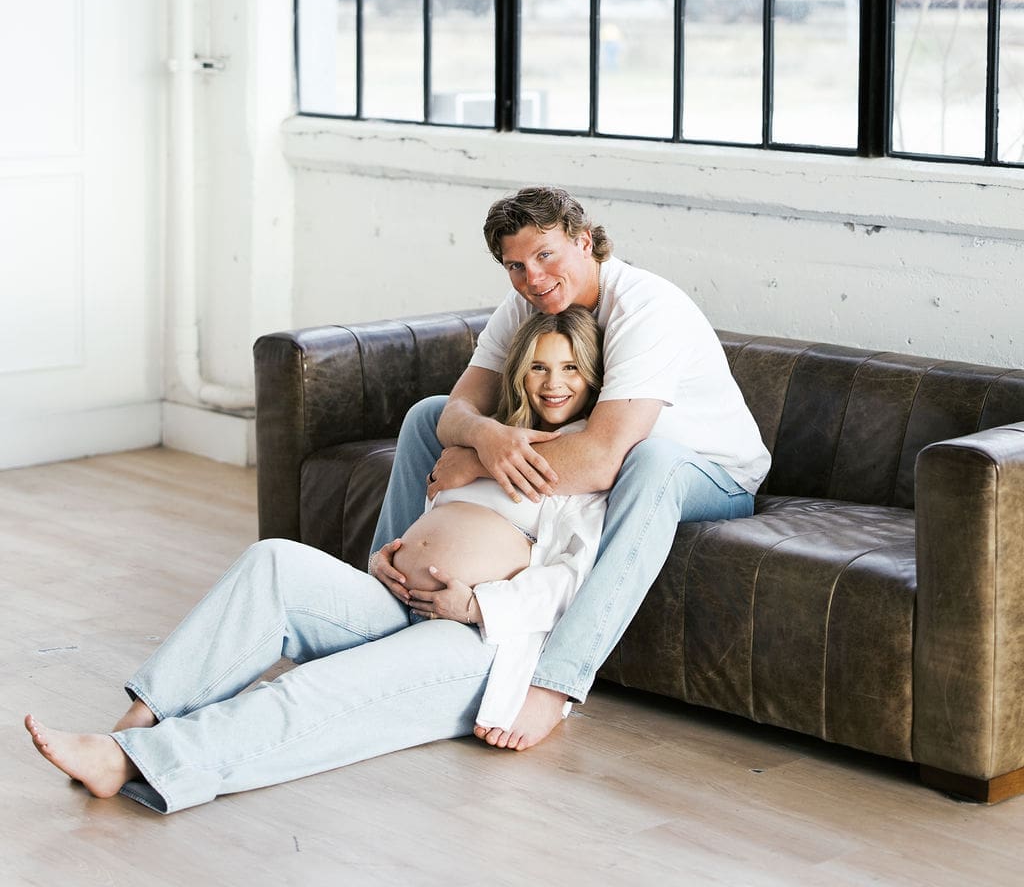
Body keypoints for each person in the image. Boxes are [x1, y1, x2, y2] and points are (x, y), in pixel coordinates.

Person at [25, 308, 606, 812]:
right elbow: (440, 527)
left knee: (316, 688)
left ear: (594, 377)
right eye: (539, 366)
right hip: (399, 598)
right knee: (272, 562)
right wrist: (390, 557)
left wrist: (477, 603)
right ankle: (139, 720)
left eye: (570, 369)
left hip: (477, 640)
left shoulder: (591, 472)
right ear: (519, 373)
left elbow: (572, 582)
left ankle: (136, 763)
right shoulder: (491, 442)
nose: (553, 384)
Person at [371, 184, 770, 751]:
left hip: (712, 473)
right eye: (515, 266)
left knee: (650, 461)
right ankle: (386, 581)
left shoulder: (645, 308)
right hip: (607, 450)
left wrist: (477, 465)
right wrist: (483, 435)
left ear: (585, 242)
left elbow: (604, 459)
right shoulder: (527, 306)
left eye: (545, 255)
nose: (533, 278)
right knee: (424, 413)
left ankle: (556, 684)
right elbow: (453, 414)